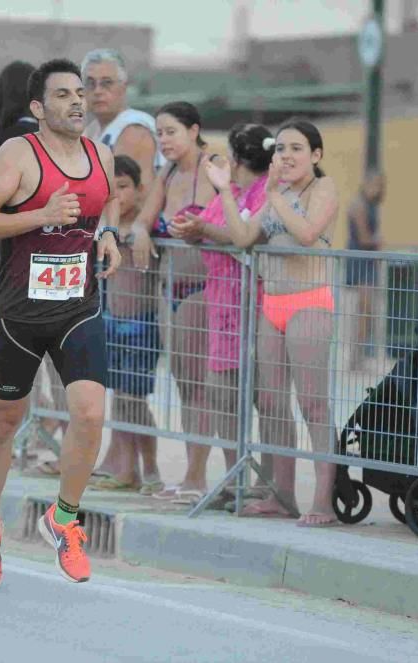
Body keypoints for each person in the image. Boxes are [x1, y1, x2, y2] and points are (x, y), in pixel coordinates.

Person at [0, 58, 121, 588]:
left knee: (90, 414)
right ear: (38, 107)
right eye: (63, 95)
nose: (77, 101)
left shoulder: (100, 153)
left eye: (81, 93)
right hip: (18, 315)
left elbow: (111, 200)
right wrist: (40, 216)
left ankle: (65, 518)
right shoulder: (18, 154)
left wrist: (109, 235)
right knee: (2, 424)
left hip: (78, 307)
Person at [219, 118, 341, 527]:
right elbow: (242, 237)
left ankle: (323, 501)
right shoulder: (277, 194)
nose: (286, 156)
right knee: (271, 403)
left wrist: (274, 193)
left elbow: (307, 233)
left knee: (313, 404)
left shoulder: (322, 188)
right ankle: (281, 492)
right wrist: (223, 189)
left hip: (309, 303)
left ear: (316, 155)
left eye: (296, 149)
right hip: (272, 304)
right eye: (281, 149)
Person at [168, 123, 274, 506]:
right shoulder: (228, 192)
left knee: (265, 398)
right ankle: (234, 479)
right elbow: (215, 228)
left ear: (236, 157)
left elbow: (244, 236)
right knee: (223, 395)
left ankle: (269, 483)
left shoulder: (267, 192)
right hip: (222, 306)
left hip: (257, 305)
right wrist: (193, 228)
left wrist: (207, 231)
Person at [129, 101, 218, 506]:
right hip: (171, 291)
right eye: (159, 133)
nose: (164, 140)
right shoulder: (167, 172)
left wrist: (206, 227)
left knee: (200, 386)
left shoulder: (213, 166)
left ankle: (197, 477)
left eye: (171, 132)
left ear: (194, 130)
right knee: (185, 385)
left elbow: (237, 215)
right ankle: (190, 473)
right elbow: (142, 219)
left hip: (204, 288)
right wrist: (142, 232)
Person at [94, 155, 163, 495]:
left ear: (140, 190)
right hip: (111, 322)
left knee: (135, 398)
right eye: (112, 189)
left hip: (141, 325)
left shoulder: (147, 231)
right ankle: (126, 468)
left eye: (124, 187)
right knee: (120, 398)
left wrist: (139, 231)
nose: (118, 195)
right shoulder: (107, 227)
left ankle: (150, 469)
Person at [81, 48, 163, 189]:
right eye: (90, 83)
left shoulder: (134, 130)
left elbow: (136, 198)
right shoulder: (91, 129)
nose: (98, 91)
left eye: (106, 83)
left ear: (123, 87)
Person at [344, 171, 386, 370]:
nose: (378, 189)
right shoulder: (359, 205)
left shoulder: (372, 206)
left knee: (367, 313)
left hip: (368, 262)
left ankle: (359, 357)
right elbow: (364, 238)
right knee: (363, 312)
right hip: (361, 262)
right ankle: (356, 359)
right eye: (375, 184)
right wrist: (378, 242)